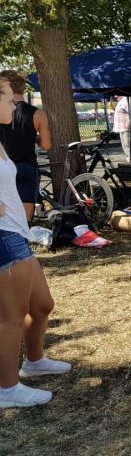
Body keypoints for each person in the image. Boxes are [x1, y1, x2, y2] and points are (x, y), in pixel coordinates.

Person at [0, 72, 70, 409]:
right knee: (10, 317)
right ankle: (7, 389)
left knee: (42, 306)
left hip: (17, 234)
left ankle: (35, 360)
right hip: (4, 237)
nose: (15, 103)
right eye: (7, 97)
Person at [0, 70, 51, 222]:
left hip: (4, 167)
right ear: (22, 89)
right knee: (25, 219)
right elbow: (46, 145)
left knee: (4, 218)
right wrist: (34, 137)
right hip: (27, 167)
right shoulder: (38, 114)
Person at [113, 96, 131, 161]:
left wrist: (128, 124)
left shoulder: (124, 100)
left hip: (125, 126)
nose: (114, 96)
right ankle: (129, 158)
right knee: (124, 145)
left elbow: (130, 112)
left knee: (127, 144)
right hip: (120, 127)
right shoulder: (119, 101)